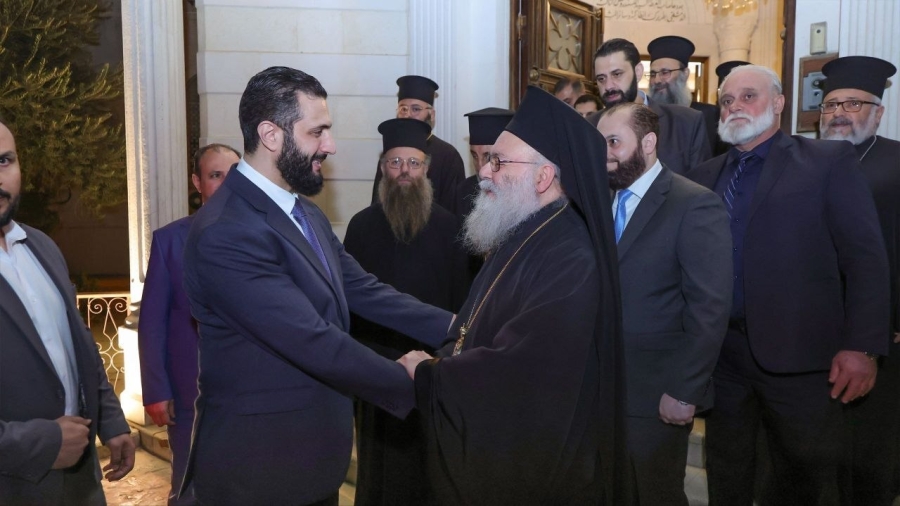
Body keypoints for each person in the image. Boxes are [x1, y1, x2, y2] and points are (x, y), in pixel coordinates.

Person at [179, 66, 453, 506]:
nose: (331, 145)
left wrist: (460, 326)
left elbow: (363, 289)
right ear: (271, 135)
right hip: (259, 472)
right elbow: (312, 339)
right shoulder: (227, 231)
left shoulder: (304, 212)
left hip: (309, 464)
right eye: (317, 132)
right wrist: (422, 383)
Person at [401, 86, 625, 505]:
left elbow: (524, 368)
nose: (484, 173)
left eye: (498, 161)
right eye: (488, 160)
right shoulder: (523, 233)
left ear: (543, 177)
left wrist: (432, 374)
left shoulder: (571, 256)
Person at [686, 64, 890, 505]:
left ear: (778, 103)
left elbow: (865, 258)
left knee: (806, 478)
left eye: (749, 96)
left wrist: (863, 345)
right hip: (724, 358)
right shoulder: (702, 177)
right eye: (727, 100)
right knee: (727, 471)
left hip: (803, 359)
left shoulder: (826, 161)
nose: (735, 107)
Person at [598, 102, 732, 506]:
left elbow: (709, 309)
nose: (605, 153)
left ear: (649, 142)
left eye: (614, 142)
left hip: (656, 394)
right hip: (602, 387)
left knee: (655, 493)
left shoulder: (693, 203)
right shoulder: (600, 200)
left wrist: (685, 391)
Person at [0, 114, 135, 505]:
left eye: (4, 161)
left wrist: (111, 420)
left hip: (80, 483)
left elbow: (78, 345)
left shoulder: (42, 247)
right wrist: (43, 442)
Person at [344, 118, 470, 506]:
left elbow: (462, 305)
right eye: (395, 162)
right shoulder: (361, 227)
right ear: (383, 168)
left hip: (432, 372)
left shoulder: (451, 229)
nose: (404, 171)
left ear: (426, 169)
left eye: (413, 163)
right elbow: (348, 306)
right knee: (379, 474)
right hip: (376, 371)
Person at [137, 142, 240, 505]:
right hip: (190, 392)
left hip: (250, 389)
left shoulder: (265, 236)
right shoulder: (170, 241)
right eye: (215, 175)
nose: (226, 183)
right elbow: (153, 321)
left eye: (233, 174)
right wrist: (155, 389)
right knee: (190, 486)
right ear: (197, 182)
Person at [819, 55, 900, 505]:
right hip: (817, 331)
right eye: (831, 105)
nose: (839, 114)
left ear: (878, 112)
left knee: (870, 453)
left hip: (883, 334)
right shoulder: (807, 161)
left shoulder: (897, 161)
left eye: (853, 104)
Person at [590, 38, 711, 175]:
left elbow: (700, 183)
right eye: (601, 79)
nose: (608, 86)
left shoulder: (686, 123)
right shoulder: (589, 127)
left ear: (638, 72)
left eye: (617, 74)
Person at [370, 75, 465, 212]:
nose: (407, 115)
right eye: (403, 109)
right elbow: (377, 203)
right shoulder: (390, 152)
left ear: (432, 115)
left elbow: (453, 210)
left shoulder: (448, 156)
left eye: (415, 109)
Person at [647, 36, 719, 152]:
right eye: (653, 74)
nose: (657, 80)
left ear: (685, 74)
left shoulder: (709, 115)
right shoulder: (644, 117)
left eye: (665, 72)